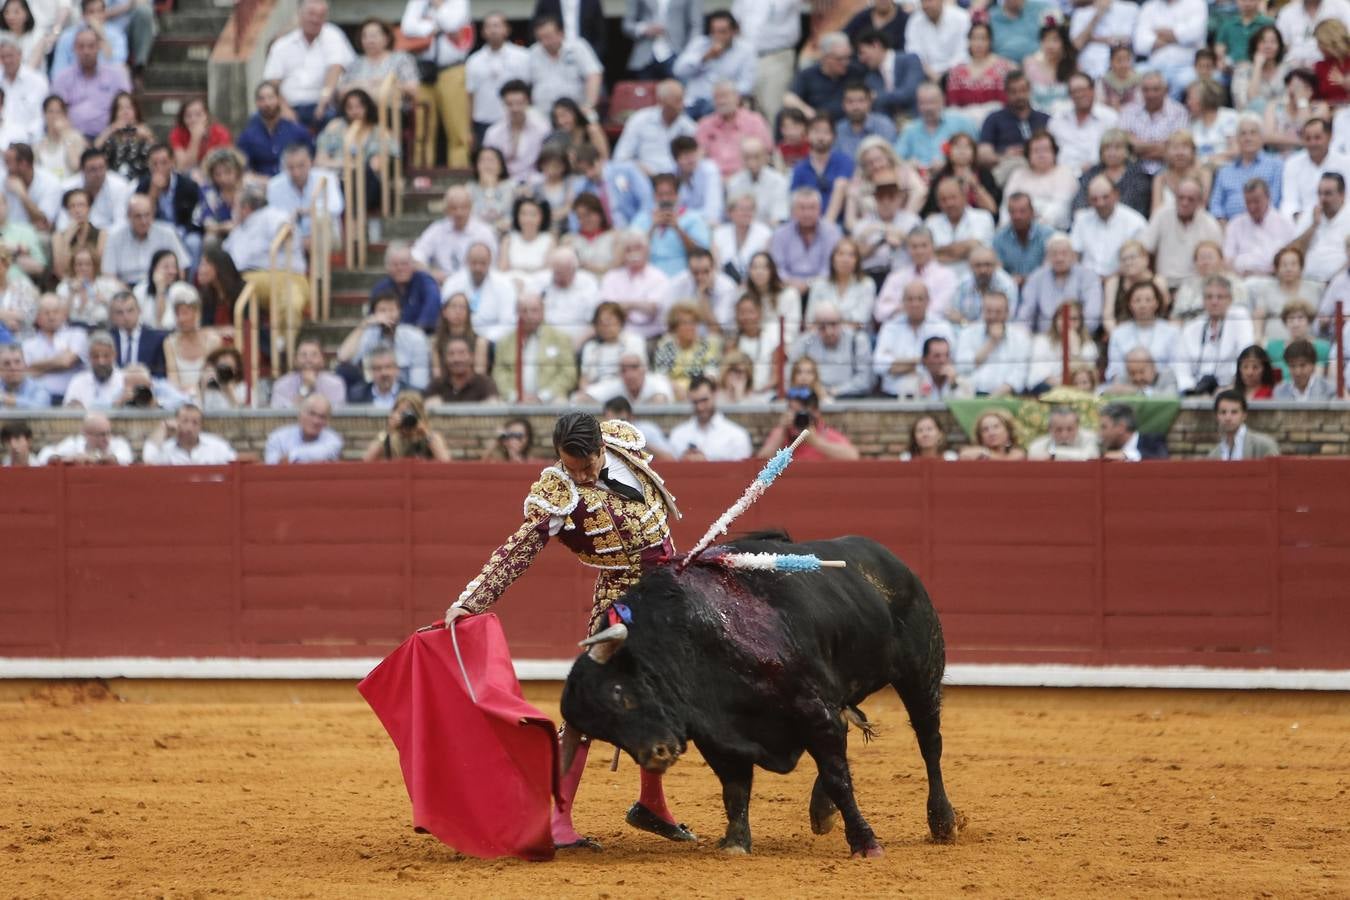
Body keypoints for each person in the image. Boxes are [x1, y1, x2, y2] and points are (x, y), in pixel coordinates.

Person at [446, 412, 693, 850]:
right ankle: (557, 820)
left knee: (661, 698)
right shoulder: (557, 493)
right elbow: (518, 550)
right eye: (571, 467)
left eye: (587, 465)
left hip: (671, 591)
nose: (580, 476)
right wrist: (471, 601)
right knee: (590, 706)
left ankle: (651, 805)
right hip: (621, 601)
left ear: (602, 446)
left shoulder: (622, 442)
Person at [261, 0, 355, 128]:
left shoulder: (333, 35)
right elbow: (272, 82)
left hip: (323, 105)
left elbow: (335, 68)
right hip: (288, 105)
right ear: (300, 14)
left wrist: (324, 99)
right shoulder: (282, 44)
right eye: (311, 14)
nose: (315, 20)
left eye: (321, 15)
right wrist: (284, 109)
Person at [491, 292, 577, 403]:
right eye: (524, 311)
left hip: (551, 398)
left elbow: (568, 374)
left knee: (561, 403)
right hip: (513, 399)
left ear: (543, 312)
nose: (529, 316)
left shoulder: (560, 339)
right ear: (517, 313)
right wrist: (515, 396)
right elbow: (499, 373)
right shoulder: (504, 342)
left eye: (534, 310)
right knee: (494, 404)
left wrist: (543, 396)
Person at [873, 281, 954, 397]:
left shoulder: (942, 326)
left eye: (920, 299)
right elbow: (879, 365)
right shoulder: (890, 327)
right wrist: (922, 361)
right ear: (903, 302)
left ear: (928, 301)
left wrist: (897, 365)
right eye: (910, 299)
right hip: (894, 396)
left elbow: (947, 364)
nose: (915, 304)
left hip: (932, 396)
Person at [1140, 177, 1223, 289]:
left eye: (1190, 199)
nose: (1184, 203)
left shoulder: (1209, 223)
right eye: (1181, 198)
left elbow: (1218, 261)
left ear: (1200, 201)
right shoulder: (1161, 215)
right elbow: (1144, 248)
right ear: (1175, 197)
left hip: (1197, 285)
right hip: (1164, 283)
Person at [336, 293, 431, 392]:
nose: (387, 315)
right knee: (343, 370)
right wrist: (363, 325)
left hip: (405, 392)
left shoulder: (415, 337)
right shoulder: (368, 334)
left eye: (391, 310)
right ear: (374, 314)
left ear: (399, 312)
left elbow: (419, 381)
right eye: (382, 311)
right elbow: (343, 357)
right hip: (372, 390)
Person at [671, 10, 754, 118]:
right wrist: (704, 58)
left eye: (723, 32)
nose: (717, 36)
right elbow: (678, 71)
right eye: (714, 31)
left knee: (713, 109)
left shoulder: (745, 50)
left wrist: (725, 95)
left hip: (724, 103)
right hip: (694, 102)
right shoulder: (699, 44)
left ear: (733, 31)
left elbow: (747, 84)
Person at [51, 26, 130, 140]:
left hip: (111, 137)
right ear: (74, 49)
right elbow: (56, 113)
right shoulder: (62, 78)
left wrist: (110, 132)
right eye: (81, 47)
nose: (86, 51)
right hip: (73, 139)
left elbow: (127, 108)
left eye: (91, 46)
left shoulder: (116, 76)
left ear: (99, 47)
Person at [730, 0, 801, 126]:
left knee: (773, 108)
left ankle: (775, 144)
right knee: (748, 110)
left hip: (776, 55)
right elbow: (735, 22)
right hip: (746, 57)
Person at [1180, 276, 1256, 394]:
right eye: (1209, 297)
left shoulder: (1240, 318)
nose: (1214, 302)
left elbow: (1245, 354)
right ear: (1203, 300)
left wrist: (1231, 387)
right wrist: (1190, 388)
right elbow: (1182, 368)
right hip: (1196, 389)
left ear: (1230, 300)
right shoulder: (1191, 328)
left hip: (1230, 388)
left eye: (1220, 297)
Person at [266, 143, 344, 253]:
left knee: (324, 219)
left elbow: (336, 207)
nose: (296, 172)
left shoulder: (326, 178)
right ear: (283, 167)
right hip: (291, 239)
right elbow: (273, 218)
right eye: (291, 167)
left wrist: (308, 211)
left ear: (310, 163)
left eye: (301, 166)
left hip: (323, 235)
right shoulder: (274, 185)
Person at [1018, 234, 1104, 334]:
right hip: (1045, 338)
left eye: (1064, 253)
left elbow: (1093, 315)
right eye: (1054, 254)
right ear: (1047, 257)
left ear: (1073, 255)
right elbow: (1025, 315)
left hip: (1079, 335)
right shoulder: (1037, 277)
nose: (1059, 258)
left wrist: (1076, 333)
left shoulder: (1089, 276)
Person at [411, 185, 496, 283]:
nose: (459, 213)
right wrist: (431, 273)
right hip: (441, 284)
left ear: (471, 208)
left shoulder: (484, 232)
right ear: (446, 210)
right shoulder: (436, 230)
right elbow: (416, 256)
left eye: (463, 207)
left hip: (475, 284)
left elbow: (492, 266)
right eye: (454, 208)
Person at [1106, 281, 1185, 385]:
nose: (1142, 305)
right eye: (1137, 300)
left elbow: (1176, 366)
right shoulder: (1118, 333)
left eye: (1148, 300)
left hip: (1162, 387)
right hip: (1128, 387)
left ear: (1156, 303)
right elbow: (1115, 369)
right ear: (1130, 304)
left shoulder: (1172, 332)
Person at [789, 301, 873, 398]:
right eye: (822, 327)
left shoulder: (857, 340)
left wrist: (834, 391)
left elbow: (865, 381)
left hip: (850, 398)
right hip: (813, 398)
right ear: (815, 325)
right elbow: (791, 375)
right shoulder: (805, 342)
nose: (829, 332)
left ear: (842, 322)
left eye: (833, 324)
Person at [955, 290, 1032, 396]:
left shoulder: (1021, 338)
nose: (993, 316)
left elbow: (1019, 376)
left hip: (1006, 396)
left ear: (1007, 313)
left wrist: (993, 397)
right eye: (989, 311)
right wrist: (991, 342)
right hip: (972, 395)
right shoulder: (967, 333)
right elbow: (962, 368)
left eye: (998, 312)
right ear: (982, 311)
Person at [596, 230, 670, 341]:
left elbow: (653, 309)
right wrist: (637, 305)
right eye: (628, 249)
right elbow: (606, 309)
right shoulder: (611, 277)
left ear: (647, 251)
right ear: (622, 254)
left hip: (650, 336)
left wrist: (625, 306)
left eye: (638, 248)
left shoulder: (659, 277)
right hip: (617, 336)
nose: (633, 253)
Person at [874, 226, 957, 324]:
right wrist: (911, 310)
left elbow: (939, 310)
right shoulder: (896, 276)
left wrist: (901, 308)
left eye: (924, 246)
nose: (919, 251)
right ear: (908, 248)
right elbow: (879, 312)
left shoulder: (947, 276)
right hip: (899, 330)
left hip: (933, 330)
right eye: (914, 246)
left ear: (933, 246)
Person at [1069, 175, 1147, 278]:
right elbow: (1074, 255)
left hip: (1122, 280)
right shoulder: (1081, 219)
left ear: (1116, 195)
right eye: (1094, 199)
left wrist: (1109, 280)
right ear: (1088, 200)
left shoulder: (1135, 222)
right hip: (1086, 282)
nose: (1100, 203)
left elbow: (1140, 260)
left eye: (1105, 197)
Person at [769, 188, 842, 298]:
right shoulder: (780, 233)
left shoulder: (832, 232)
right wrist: (791, 283)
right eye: (802, 208)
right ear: (793, 211)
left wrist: (808, 284)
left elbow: (830, 268)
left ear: (820, 210)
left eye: (812, 208)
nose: (807, 213)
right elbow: (777, 267)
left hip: (822, 286)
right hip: (787, 286)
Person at [526, 14, 603, 118]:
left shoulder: (578, 47)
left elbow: (594, 75)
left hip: (576, 113)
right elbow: (523, 84)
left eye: (548, 37)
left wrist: (589, 105)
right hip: (542, 115)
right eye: (540, 38)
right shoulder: (532, 52)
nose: (544, 43)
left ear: (561, 34)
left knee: (593, 123)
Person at [612, 79, 694, 176]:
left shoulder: (687, 126)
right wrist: (638, 168)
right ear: (661, 101)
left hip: (677, 179)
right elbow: (620, 157)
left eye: (682, 99)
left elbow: (696, 155)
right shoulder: (639, 120)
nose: (681, 106)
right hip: (643, 176)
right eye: (677, 101)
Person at [102, 193, 186, 287]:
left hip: (160, 287)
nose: (144, 221)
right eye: (138, 216)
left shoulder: (167, 234)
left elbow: (181, 268)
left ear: (153, 213)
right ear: (128, 216)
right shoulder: (115, 237)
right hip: (126, 289)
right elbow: (109, 275)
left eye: (147, 215)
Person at [756, 386, 861, 461]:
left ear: (816, 412)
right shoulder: (782, 432)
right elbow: (760, 460)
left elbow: (853, 456)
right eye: (793, 411)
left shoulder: (825, 433)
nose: (798, 417)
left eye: (802, 412)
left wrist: (816, 442)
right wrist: (782, 430)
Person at [1278, 118, 1348, 229]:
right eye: (1308, 138)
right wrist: (1302, 219)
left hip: (1340, 223)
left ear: (1329, 137)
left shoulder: (1345, 163)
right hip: (1303, 224)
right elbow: (1289, 203)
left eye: (1317, 137)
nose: (1312, 143)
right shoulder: (1292, 164)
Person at [234, 80, 313, 179]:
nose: (267, 103)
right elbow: (243, 168)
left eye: (270, 98)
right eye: (262, 99)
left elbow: (310, 161)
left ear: (279, 99)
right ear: (256, 103)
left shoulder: (298, 132)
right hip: (261, 186)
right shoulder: (247, 137)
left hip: (293, 182)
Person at [1001, 131, 1078, 232]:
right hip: (1015, 230)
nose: (1041, 155)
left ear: (1054, 153)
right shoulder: (1018, 174)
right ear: (1028, 155)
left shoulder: (1065, 173)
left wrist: (1033, 229)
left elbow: (1059, 210)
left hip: (1053, 232)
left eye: (1046, 150)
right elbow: (1006, 206)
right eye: (1036, 151)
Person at [695, 82, 772, 182]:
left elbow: (765, 153)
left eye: (726, 96)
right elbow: (698, 157)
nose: (722, 101)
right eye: (717, 97)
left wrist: (736, 180)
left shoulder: (754, 121)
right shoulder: (705, 125)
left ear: (737, 98)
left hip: (747, 178)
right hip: (714, 182)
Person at [925, 175, 996, 281]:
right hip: (939, 282)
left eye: (953, 197)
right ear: (938, 203)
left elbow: (976, 248)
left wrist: (939, 251)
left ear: (964, 196)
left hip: (974, 281)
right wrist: (965, 249)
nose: (949, 203)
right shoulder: (931, 223)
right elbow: (927, 256)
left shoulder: (983, 217)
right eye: (943, 199)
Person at [667, 375, 752, 461]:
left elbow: (743, 472)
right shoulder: (678, 434)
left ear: (715, 395)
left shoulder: (737, 436)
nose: (700, 407)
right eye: (695, 402)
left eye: (704, 400)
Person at [977, 71, 1049, 173]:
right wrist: (1004, 156)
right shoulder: (994, 119)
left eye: (1023, 90)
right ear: (1006, 93)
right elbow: (983, 154)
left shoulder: (1044, 119)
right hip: (1007, 168)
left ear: (1030, 90)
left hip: (1042, 169)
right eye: (1013, 92)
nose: (1019, 96)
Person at [895, 82, 978, 170]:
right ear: (917, 105)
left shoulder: (961, 122)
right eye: (923, 103)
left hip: (952, 174)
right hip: (919, 177)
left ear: (942, 101)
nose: (928, 108)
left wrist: (949, 163)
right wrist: (909, 163)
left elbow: (976, 152)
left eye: (932, 102)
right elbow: (895, 158)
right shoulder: (910, 130)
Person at [783, 31, 863, 122]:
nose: (846, 62)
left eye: (848, 57)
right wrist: (809, 112)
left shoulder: (855, 72)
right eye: (840, 59)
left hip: (850, 122)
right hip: (819, 124)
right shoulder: (808, 74)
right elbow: (789, 98)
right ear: (825, 58)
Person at [340, 17, 419, 108]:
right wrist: (364, 85)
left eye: (373, 36)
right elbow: (341, 92)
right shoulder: (355, 63)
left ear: (387, 38)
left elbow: (414, 90)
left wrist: (387, 85)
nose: (369, 41)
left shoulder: (401, 59)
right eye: (364, 36)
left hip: (393, 113)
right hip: (360, 113)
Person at [1119, 73, 1189, 176]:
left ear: (1165, 90)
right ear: (1140, 91)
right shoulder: (1128, 111)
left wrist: (1136, 149)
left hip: (1169, 170)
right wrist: (1162, 146)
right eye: (1146, 90)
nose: (1150, 94)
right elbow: (1124, 144)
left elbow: (1175, 148)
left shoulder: (1179, 112)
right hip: (1133, 171)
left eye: (1156, 89)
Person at [1224, 179, 1296, 278]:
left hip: (1275, 281)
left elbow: (1292, 260)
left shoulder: (1285, 224)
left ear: (1268, 198)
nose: (1252, 207)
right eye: (1248, 202)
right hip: (1242, 281)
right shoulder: (1235, 224)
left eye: (1256, 202)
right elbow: (1228, 260)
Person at [22, 293, 87, 402]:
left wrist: (35, 366)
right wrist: (59, 361)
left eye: (56, 312)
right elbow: (25, 372)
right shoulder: (27, 344)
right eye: (46, 313)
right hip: (40, 399)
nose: (51, 317)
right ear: (37, 317)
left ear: (64, 315)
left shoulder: (77, 334)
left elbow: (66, 362)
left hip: (73, 398)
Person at [1050, 73, 1120, 174]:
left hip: (1098, 174)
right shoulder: (1058, 119)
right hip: (1062, 176)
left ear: (1092, 90)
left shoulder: (1109, 118)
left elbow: (1118, 150)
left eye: (1083, 90)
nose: (1079, 95)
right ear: (1070, 95)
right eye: (1075, 91)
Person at [482, 80, 550, 180]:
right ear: (503, 104)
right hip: (503, 183)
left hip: (534, 183)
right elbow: (487, 163)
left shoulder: (542, 128)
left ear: (528, 102)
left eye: (519, 103)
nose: (514, 109)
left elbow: (548, 163)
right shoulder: (493, 133)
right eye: (509, 104)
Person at [1288, 173, 1350, 283]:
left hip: (1341, 284)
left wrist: (1334, 281)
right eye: (1319, 193)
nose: (1322, 199)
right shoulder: (1310, 214)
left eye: (1328, 194)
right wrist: (1314, 225)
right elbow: (1293, 251)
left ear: (1342, 195)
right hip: (1306, 281)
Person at [805, 237, 875, 333]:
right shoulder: (819, 285)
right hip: (821, 337)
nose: (845, 260)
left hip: (855, 338)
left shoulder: (867, 284)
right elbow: (810, 320)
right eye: (840, 254)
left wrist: (831, 326)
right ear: (832, 258)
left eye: (851, 255)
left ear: (857, 261)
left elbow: (861, 321)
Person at [944, 22, 1012, 120]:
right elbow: (952, 104)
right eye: (974, 38)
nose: (979, 44)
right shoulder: (956, 71)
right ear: (969, 41)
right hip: (965, 121)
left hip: (995, 119)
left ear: (990, 41)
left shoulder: (1002, 68)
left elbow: (1005, 102)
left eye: (983, 39)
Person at [162, 285, 220, 399]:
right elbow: (173, 379)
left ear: (197, 314)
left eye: (185, 313)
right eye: (177, 314)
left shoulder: (213, 340)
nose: (180, 319)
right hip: (181, 398)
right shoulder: (169, 342)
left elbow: (211, 378)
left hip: (208, 396)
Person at [371, 241, 441, 333]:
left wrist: (415, 335)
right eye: (395, 265)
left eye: (404, 264)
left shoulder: (424, 281)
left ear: (413, 265)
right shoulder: (380, 289)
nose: (400, 268)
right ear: (387, 267)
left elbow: (433, 302)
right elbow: (374, 318)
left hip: (422, 335)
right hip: (389, 336)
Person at [536, 245, 601, 345]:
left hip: (578, 339)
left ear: (574, 270)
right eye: (556, 272)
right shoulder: (540, 281)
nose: (558, 277)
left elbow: (595, 323)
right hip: (543, 338)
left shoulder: (588, 283)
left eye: (563, 273)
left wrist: (577, 344)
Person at [854, 27, 924, 118]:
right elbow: (877, 107)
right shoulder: (871, 77)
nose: (861, 59)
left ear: (876, 45)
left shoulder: (910, 60)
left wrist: (877, 95)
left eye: (862, 52)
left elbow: (909, 93)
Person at [361, 390, 451, 462]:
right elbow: (366, 461)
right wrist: (388, 431)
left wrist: (426, 434)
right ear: (394, 413)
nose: (407, 419)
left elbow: (446, 462)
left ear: (420, 415)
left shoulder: (430, 437)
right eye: (402, 414)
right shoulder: (387, 438)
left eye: (411, 414)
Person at [1029, 300, 1098, 389]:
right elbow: (1038, 375)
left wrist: (1075, 351)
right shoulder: (1042, 341)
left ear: (1080, 323)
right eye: (1063, 318)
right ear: (1055, 320)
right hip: (1047, 389)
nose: (1067, 323)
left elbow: (1086, 380)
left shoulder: (1089, 346)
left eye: (1073, 319)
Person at [141, 402, 236, 465]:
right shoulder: (166, 448)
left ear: (201, 426)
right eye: (185, 421)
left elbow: (235, 462)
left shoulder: (217, 445)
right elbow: (148, 461)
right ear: (176, 422)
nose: (190, 427)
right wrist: (163, 428)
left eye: (195, 423)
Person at [577, 304, 643, 394]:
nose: (606, 327)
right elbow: (585, 379)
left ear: (621, 322)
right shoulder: (590, 347)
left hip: (627, 390)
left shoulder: (634, 341)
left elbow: (640, 373)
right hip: (598, 390)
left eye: (610, 322)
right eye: (601, 324)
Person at [993, 192, 1053, 285]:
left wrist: (1028, 280)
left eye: (1022, 211)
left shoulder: (1047, 235)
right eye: (1013, 211)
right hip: (1010, 288)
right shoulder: (999, 238)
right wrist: (1011, 280)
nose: (1017, 216)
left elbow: (1051, 268)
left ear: (1032, 212)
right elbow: (998, 271)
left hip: (1042, 287)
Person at [270, 335, 345, 409]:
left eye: (314, 355)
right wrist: (305, 389)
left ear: (323, 360)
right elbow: (282, 416)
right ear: (295, 360)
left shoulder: (335, 384)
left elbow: (336, 415)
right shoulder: (281, 385)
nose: (308, 360)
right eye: (303, 355)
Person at [264, 393, 343, 464]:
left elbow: (322, 453)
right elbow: (271, 462)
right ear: (300, 415)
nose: (316, 421)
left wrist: (290, 457)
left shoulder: (333, 439)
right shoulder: (278, 437)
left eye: (322, 417)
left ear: (327, 422)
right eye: (312, 414)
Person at [712, 191, 772, 284]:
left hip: (754, 283)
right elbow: (716, 265)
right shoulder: (719, 233)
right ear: (730, 212)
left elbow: (765, 265)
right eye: (742, 209)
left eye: (750, 209)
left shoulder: (765, 233)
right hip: (726, 283)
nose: (746, 213)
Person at [1070, 0, 1138, 81]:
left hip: (1121, 70)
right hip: (1089, 72)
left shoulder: (1130, 8)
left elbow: (1128, 39)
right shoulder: (1080, 13)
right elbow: (1077, 44)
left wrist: (1092, 39)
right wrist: (1098, 14)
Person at [905, 0, 970, 83]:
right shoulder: (914, 20)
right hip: (926, 76)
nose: (926, 5)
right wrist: (934, 77)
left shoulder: (962, 17)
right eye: (923, 2)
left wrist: (944, 77)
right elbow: (914, 55)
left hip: (958, 74)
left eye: (930, 1)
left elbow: (963, 53)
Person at [423, 335, 498, 406]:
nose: (456, 359)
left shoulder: (485, 383)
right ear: (445, 359)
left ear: (472, 357)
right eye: (451, 354)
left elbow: (494, 404)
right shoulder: (437, 384)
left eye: (462, 353)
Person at [577, 351, 674, 405]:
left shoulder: (657, 381)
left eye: (634, 367)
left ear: (644, 369)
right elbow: (582, 398)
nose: (629, 374)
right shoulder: (615, 384)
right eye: (624, 370)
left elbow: (661, 400)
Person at [5, 143, 62, 233]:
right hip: (5, 233)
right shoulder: (3, 177)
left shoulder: (50, 183)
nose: (6, 167)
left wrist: (22, 194)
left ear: (23, 164)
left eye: (9, 163)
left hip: (34, 236)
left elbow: (44, 222)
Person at [36, 411, 132, 464]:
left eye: (108, 433)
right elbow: (44, 456)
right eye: (101, 435)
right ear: (87, 435)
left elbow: (125, 459)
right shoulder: (74, 443)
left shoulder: (119, 443)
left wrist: (95, 459)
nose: (107, 438)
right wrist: (67, 459)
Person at [57, 246, 119, 328]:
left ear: (95, 265)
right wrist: (72, 294)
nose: (83, 268)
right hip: (74, 329)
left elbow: (119, 312)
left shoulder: (107, 285)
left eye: (88, 264)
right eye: (79, 264)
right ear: (73, 266)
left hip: (101, 328)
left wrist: (106, 301)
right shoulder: (64, 286)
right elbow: (61, 317)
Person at [1209, 389, 1278, 459]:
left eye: (1234, 412)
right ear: (1216, 416)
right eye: (1223, 412)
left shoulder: (1264, 445)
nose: (1228, 418)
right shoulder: (1214, 454)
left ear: (1244, 415)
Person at [347, 343, 411, 408]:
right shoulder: (357, 395)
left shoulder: (411, 394)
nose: (384, 373)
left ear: (397, 369)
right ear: (371, 371)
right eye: (378, 368)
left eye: (388, 367)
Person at [1098, 401, 1168, 460]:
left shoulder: (1153, 441)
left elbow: (1161, 460)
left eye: (1104, 427)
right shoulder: (1106, 449)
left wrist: (1126, 455)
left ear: (1121, 427)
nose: (1100, 433)